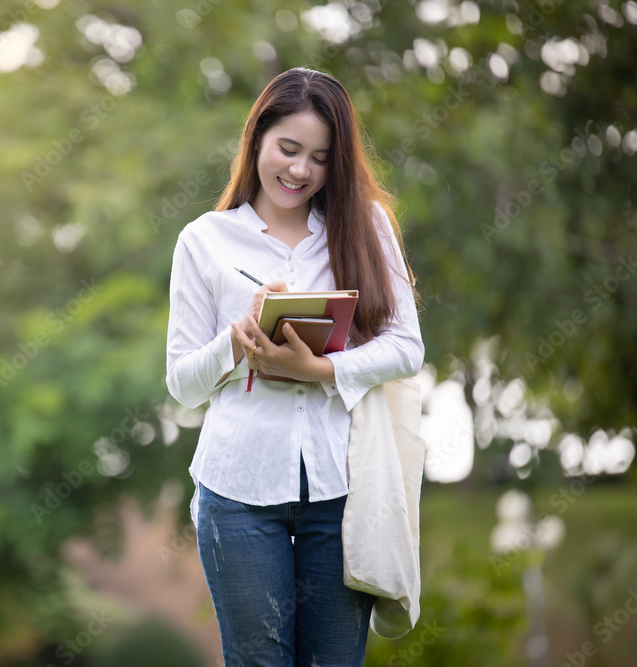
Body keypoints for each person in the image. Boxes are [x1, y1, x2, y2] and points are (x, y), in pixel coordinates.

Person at [164, 67, 424, 666]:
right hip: (236, 491)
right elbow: (181, 383)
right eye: (287, 148)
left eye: (320, 157)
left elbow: (407, 346)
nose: (300, 170)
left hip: (339, 486)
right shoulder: (204, 240)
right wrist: (238, 340)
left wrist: (320, 372)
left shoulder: (363, 226)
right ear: (257, 139)